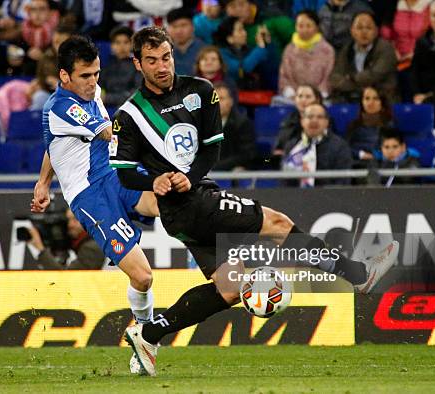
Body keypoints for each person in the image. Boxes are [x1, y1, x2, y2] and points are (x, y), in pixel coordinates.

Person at [110, 27, 398, 376]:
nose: (162, 66)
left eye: (167, 57)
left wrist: (191, 175)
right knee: (276, 223)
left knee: (230, 287)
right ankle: (358, 274)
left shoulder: (200, 91)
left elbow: (212, 145)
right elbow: (123, 171)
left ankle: (149, 333)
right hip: (186, 205)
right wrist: (152, 180)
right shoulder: (130, 115)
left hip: (196, 198)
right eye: (152, 60)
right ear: (137, 63)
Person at [30, 36, 160, 348]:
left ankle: (217, 261)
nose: (93, 82)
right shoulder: (61, 107)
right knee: (143, 277)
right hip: (90, 195)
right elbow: (105, 132)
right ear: (65, 76)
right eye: (85, 76)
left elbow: (55, 145)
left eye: (97, 74)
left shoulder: (91, 92)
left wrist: (44, 182)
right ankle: (145, 337)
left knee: (169, 195)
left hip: (114, 174)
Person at [329, 11, 398, 103]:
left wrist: (351, 78)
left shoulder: (386, 49)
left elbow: (374, 75)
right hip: (352, 97)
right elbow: (335, 77)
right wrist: (355, 84)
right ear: (352, 31)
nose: (364, 32)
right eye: (359, 28)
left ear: (376, 31)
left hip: (381, 98)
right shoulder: (347, 49)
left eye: (369, 28)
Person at [282, 103, 353, 186]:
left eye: (319, 117)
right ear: (302, 121)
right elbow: (285, 181)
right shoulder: (292, 146)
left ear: (327, 122)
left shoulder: (340, 146)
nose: (314, 121)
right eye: (310, 116)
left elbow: (343, 181)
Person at [277, 10, 335, 105]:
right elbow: (284, 78)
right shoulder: (289, 49)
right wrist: (296, 96)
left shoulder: (327, 50)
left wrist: (317, 96)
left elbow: (328, 77)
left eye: (308, 26)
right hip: (294, 98)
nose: (304, 30)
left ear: (316, 27)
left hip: (320, 98)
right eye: (300, 26)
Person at [214, 16, 269, 89]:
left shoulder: (249, 49)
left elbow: (269, 68)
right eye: (240, 30)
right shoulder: (221, 55)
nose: (245, 33)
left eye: (244, 29)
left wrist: (268, 43)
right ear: (230, 38)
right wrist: (260, 47)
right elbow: (243, 69)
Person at [346, 86, 394, 164]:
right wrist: (361, 154)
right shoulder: (353, 125)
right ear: (362, 102)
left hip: (382, 164)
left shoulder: (389, 125)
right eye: (367, 98)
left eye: (375, 98)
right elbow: (345, 148)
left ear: (382, 102)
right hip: (357, 165)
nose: (371, 103)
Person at [273, 84, 325, 155]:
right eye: (300, 96)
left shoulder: (325, 120)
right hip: (288, 160)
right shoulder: (288, 120)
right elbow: (279, 146)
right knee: (266, 161)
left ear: (317, 100)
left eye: (308, 97)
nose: (303, 100)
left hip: (318, 160)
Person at [99, 26, 142, 107]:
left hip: (130, 108)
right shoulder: (107, 65)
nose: (122, 46)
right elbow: (99, 87)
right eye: (117, 42)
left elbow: (137, 93)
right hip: (106, 109)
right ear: (111, 46)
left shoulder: (137, 65)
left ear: (132, 45)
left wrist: (107, 98)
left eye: (126, 42)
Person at [166, 7, 206, 76]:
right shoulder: (163, 51)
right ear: (168, 29)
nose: (178, 31)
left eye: (183, 25)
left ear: (193, 26)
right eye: (174, 26)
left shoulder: (204, 49)